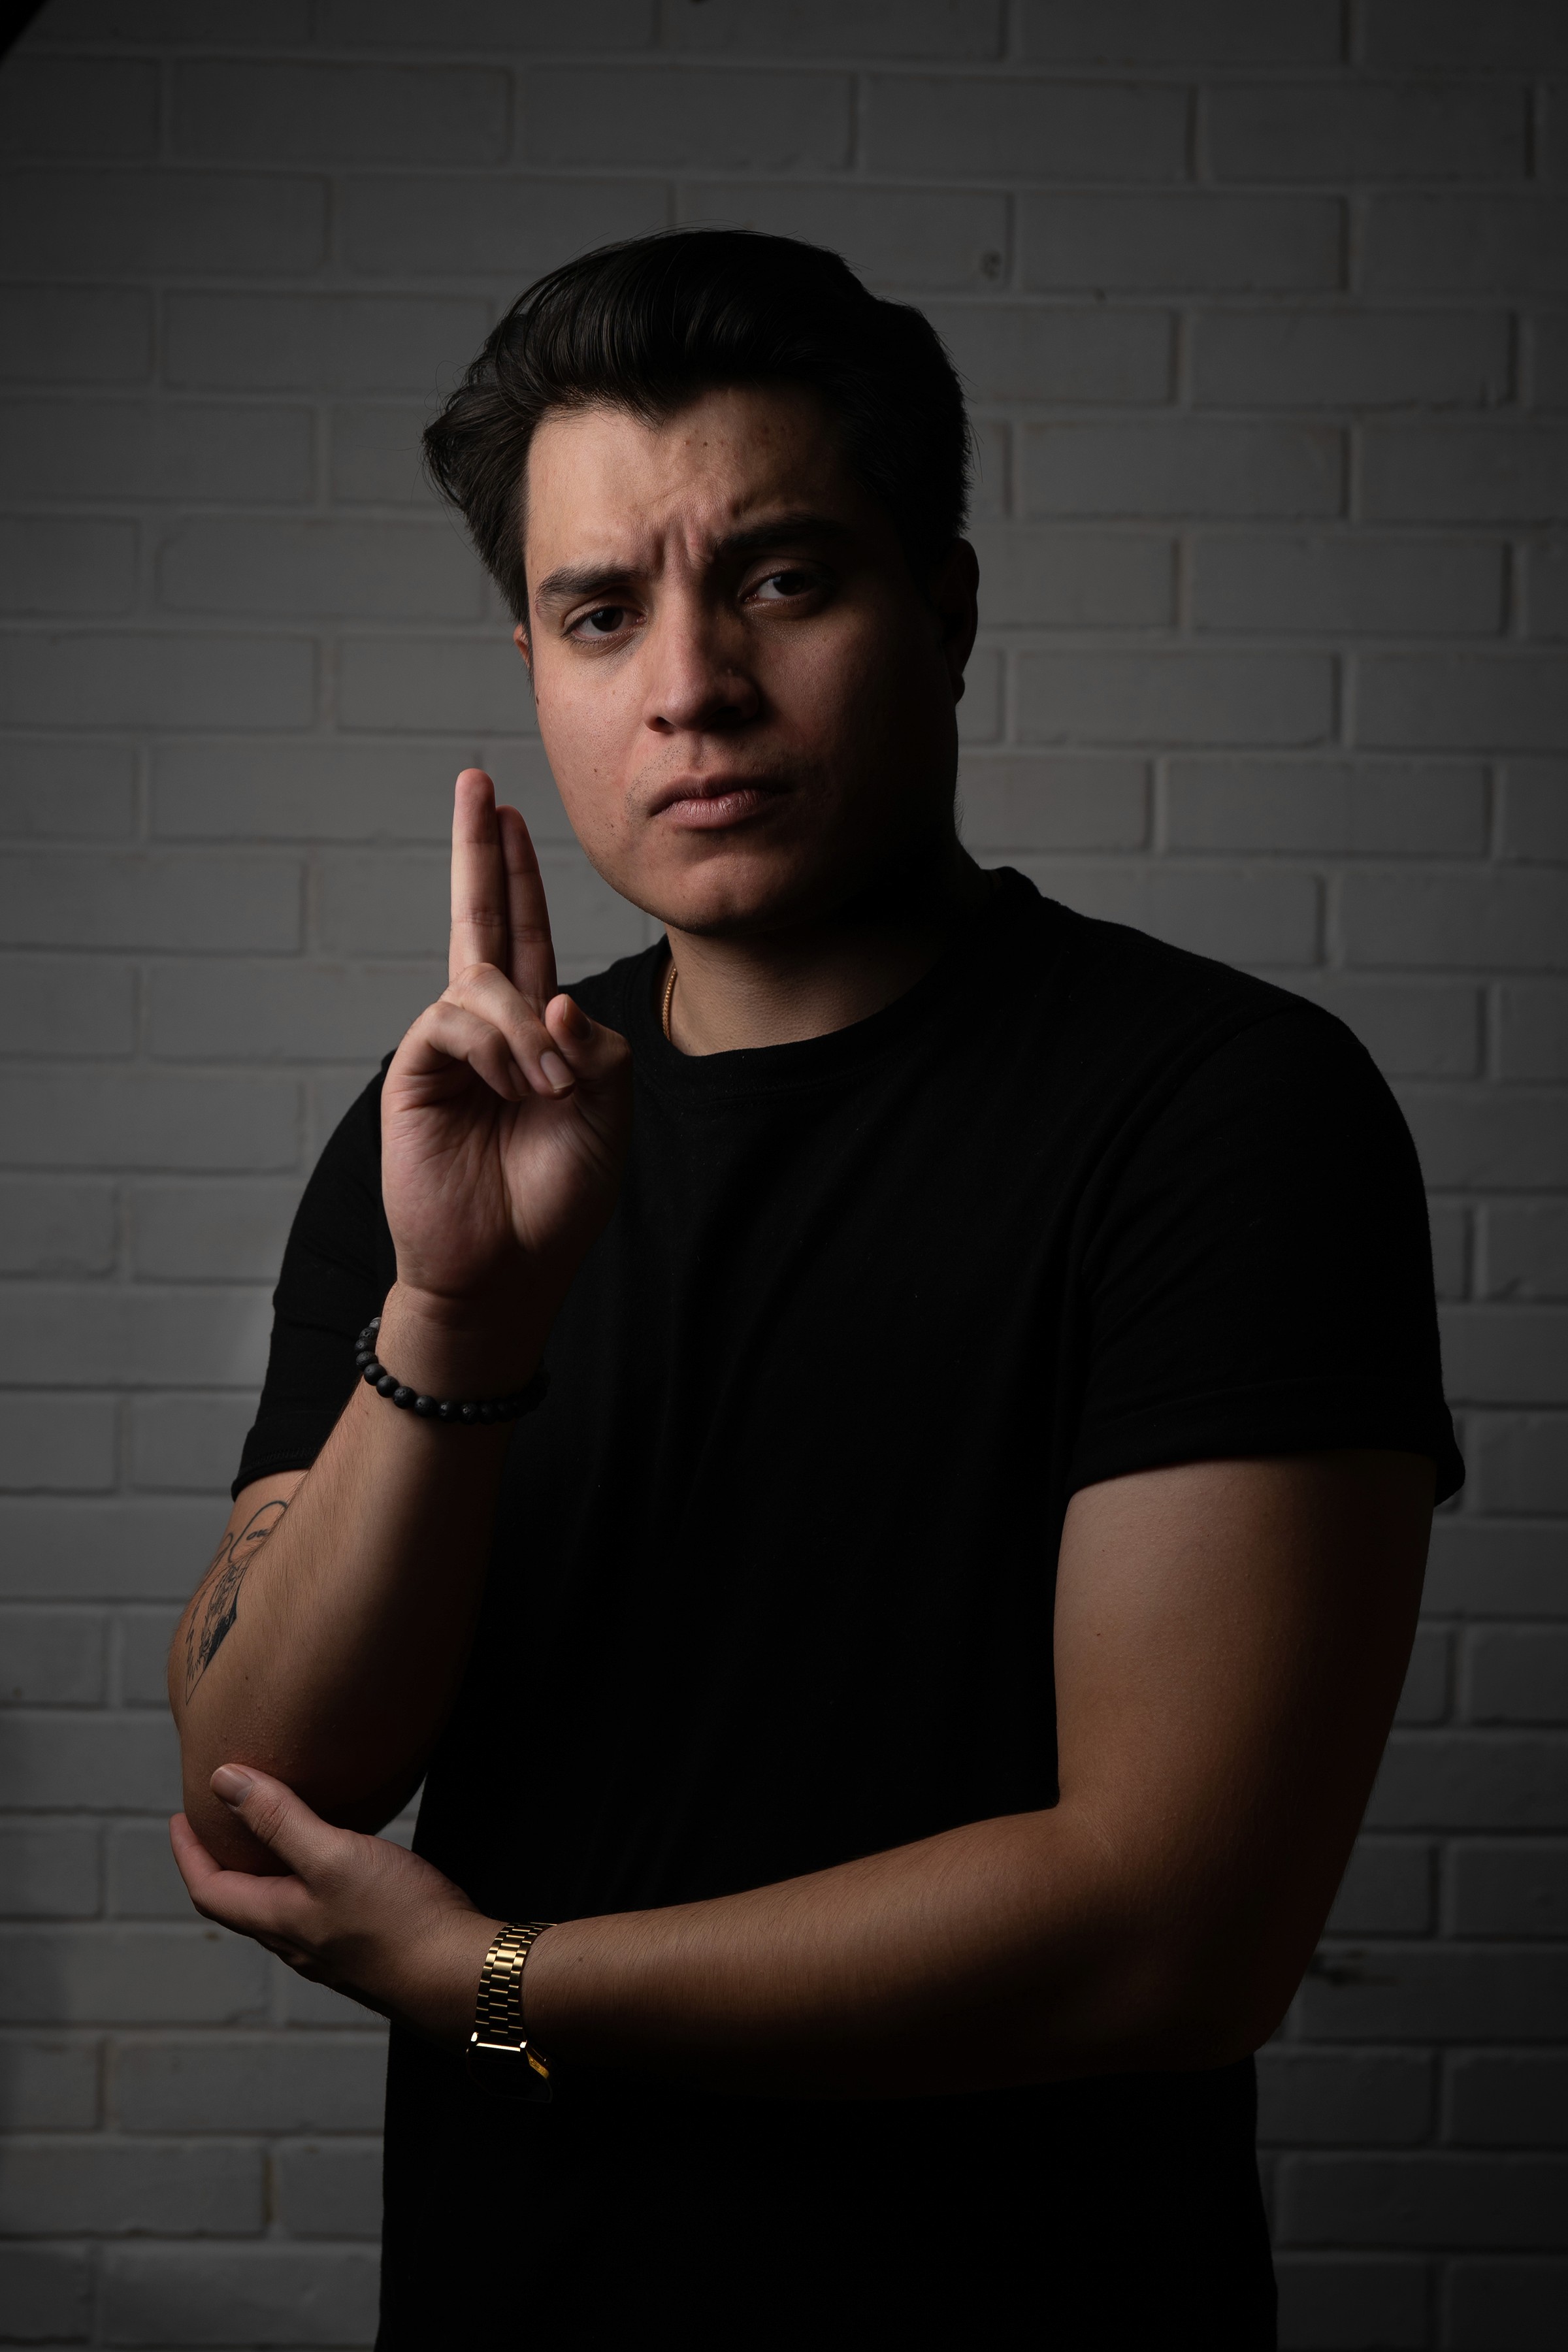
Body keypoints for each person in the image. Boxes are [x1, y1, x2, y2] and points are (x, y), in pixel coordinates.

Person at [167, 230, 1460, 2347]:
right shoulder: (448, 1138)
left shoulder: (1223, 1115)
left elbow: (1177, 1933)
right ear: (537, 663)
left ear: (943, 610)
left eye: (780, 578)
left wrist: (498, 1986)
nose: (691, 684)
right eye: (605, 612)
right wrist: (458, 1325)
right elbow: (259, 1784)